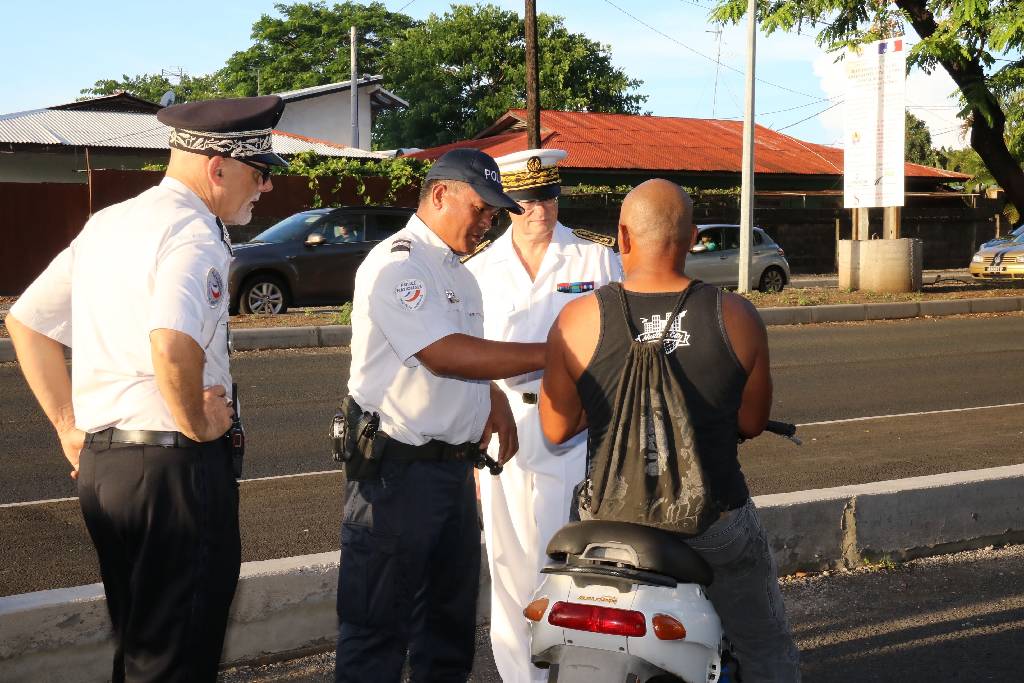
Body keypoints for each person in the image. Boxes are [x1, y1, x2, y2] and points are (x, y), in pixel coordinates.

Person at [6, 95, 287, 682]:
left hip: (107, 470)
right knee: (175, 661)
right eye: (259, 172)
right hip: (173, 472)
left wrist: (67, 427)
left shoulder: (109, 222)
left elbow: (26, 322)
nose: (264, 188)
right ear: (218, 168)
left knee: (141, 651)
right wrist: (199, 423)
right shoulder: (194, 231)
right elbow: (172, 342)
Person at [538, 179, 801, 682]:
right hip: (712, 520)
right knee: (764, 644)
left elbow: (555, 427)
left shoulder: (577, 319)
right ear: (693, 239)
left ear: (622, 236)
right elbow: (751, 422)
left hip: (607, 521)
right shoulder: (735, 316)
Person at [335, 148, 549, 683]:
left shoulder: (456, 270)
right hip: (397, 475)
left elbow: (462, 352)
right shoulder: (399, 265)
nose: (487, 223)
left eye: (493, 214)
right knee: (377, 634)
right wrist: (554, 353)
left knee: (447, 634)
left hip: (451, 474)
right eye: (480, 209)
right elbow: (443, 353)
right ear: (439, 195)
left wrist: (492, 397)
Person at [463, 148, 622, 683]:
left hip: (576, 429)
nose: (540, 210)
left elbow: (619, 347)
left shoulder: (595, 260)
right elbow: (469, 358)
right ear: (506, 205)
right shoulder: (478, 270)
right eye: (527, 201)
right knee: (507, 565)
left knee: (574, 567)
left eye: (549, 197)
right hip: (502, 427)